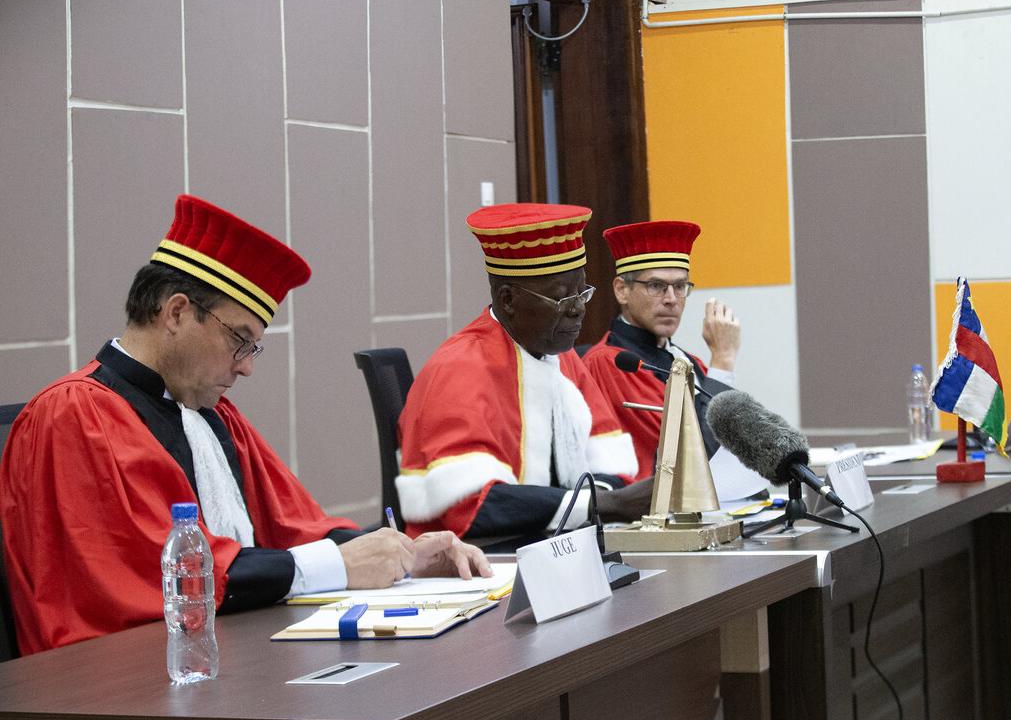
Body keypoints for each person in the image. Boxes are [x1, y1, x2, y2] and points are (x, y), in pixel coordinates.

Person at [0, 194, 489, 655]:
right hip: (115, 683)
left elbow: (294, 530)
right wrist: (341, 564)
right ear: (176, 312)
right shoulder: (72, 415)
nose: (247, 367)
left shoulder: (211, 414)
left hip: (231, 658)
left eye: (253, 347)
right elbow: (157, 578)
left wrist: (401, 552)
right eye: (240, 339)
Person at [396, 203, 650, 539]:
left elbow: (612, 466)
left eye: (582, 293)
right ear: (508, 300)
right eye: (562, 299)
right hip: (473, 557)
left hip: (550, 544)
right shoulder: (460, 368)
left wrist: (601, 502)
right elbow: (473, 505)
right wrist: (601, 505)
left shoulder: (561, 357)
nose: (578, 310)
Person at [582, 220, 742, 480]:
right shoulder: (609, 362)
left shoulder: (690, 361)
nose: (671, 299)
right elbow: (691, 465)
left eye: (680, 287)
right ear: (622, 290)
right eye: (656, 286)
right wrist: (723, 361)